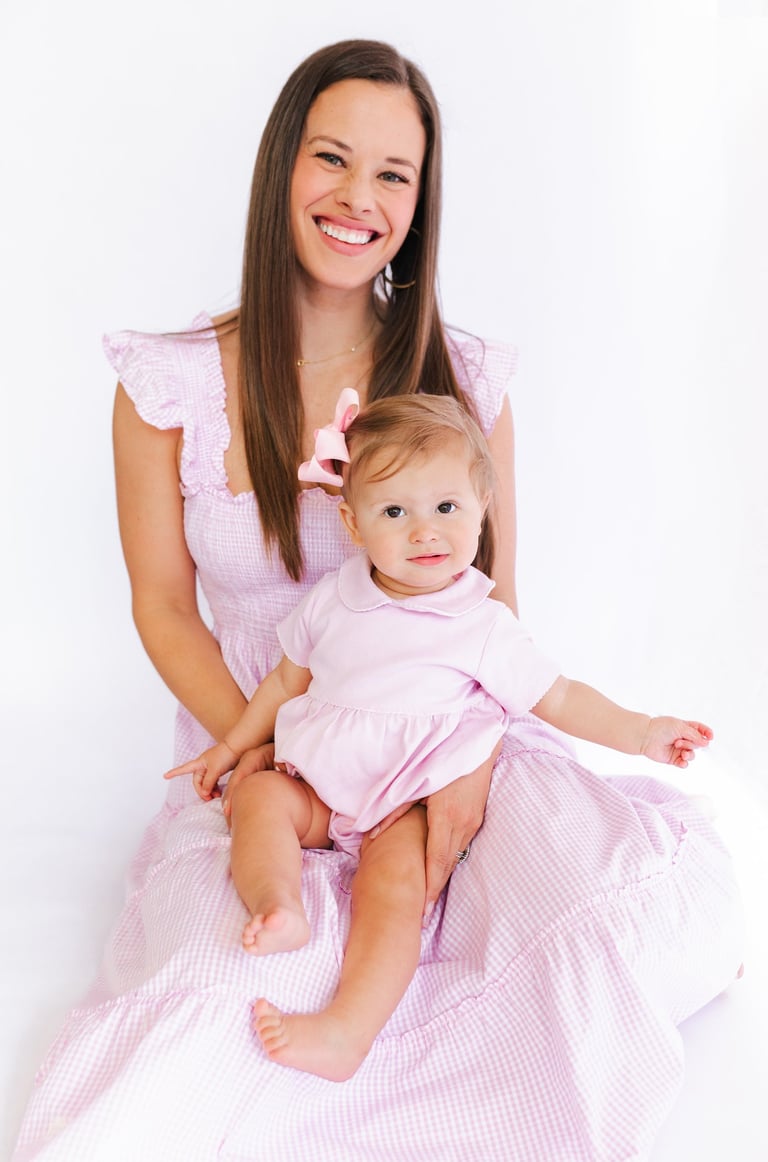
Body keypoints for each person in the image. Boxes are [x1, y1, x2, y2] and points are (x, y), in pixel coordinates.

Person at [13, 38, 742, 1162]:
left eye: (394, 175)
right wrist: (260, 756)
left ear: (421, 199)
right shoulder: (167, 387)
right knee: (231, 1003)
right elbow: (164, 605)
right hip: (272, 750)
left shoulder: (464, 380)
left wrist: (472, 769)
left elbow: (494, 608)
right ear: (282, 171)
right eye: (334, 160)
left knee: (589, 914)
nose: (360, 199)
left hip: (444, 737)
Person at [165, 391, 714, 1084]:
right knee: (256, 798)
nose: (424, 531)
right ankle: (280, 904)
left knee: (393, 887)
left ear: (482, 510)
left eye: (446, 508)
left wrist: (642, 732)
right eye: (395, 512)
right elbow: (283, 685)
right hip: (318, 784)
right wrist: (232, 746)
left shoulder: (482, 624)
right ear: (354, 523)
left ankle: (346, 1031)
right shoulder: (336, 598)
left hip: (405, 802)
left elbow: (562, 696)